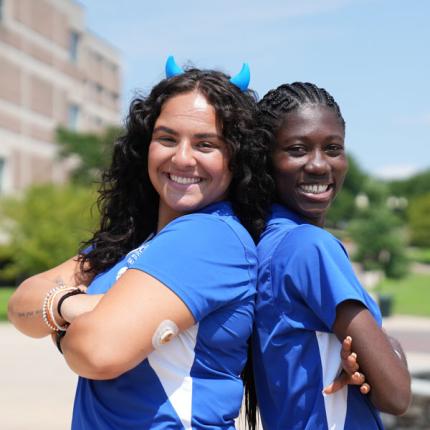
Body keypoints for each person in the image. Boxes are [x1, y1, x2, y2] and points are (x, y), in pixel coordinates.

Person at [8, 59, 274, 429]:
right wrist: (73, 305)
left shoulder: (210, 237)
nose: (182, 158)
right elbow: (21, 305)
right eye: (167, 138)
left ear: (236, 156)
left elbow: (96, 352)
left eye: (206, 144)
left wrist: (66, 318)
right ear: (144, 145)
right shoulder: (136, 240)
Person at [252, 82, 412, 429]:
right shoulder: (309, 247)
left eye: (333, 148)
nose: (319, 165)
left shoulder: (265, 242)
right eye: (297, 149)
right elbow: (396, 395)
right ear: (265, 159)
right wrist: (390, 347)